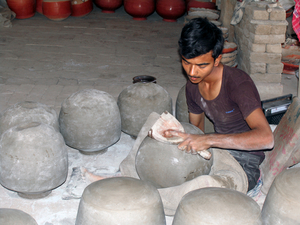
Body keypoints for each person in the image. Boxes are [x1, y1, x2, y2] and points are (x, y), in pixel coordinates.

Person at [164, 17, 274, 191]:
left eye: (201, 65)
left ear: (217, 60)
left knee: (204, 190)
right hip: (219, 151)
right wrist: (180, 137)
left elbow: (267, 139)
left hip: (246, 161)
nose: (192, 72)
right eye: (186, 62)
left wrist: (208, 140)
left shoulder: (238, 84)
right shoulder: (192, 86)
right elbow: (197, 130)